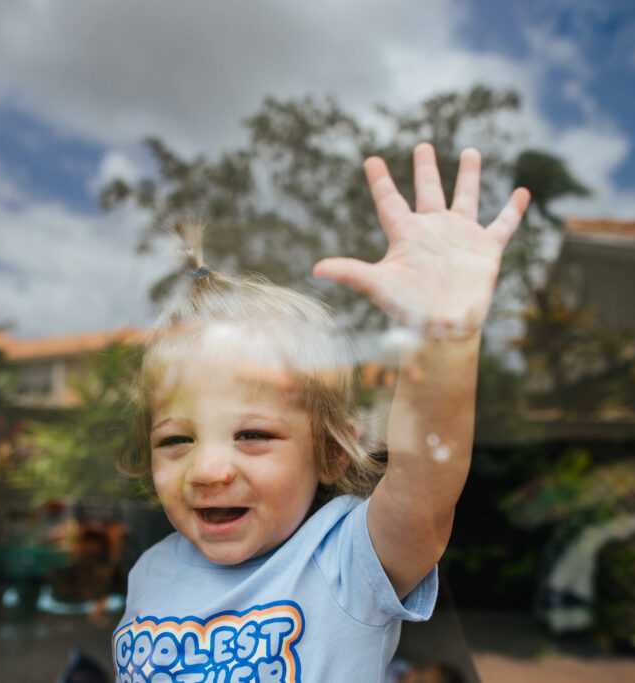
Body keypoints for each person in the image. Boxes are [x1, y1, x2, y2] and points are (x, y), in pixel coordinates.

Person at [112, 143, 529, 682]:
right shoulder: (150, 570)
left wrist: (443, 335)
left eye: (253, 434)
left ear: (332, 452)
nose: (208, 470)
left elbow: (424, 483)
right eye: (175, 441)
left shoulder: (344, 560)